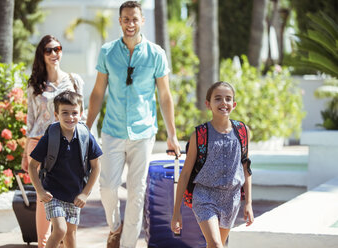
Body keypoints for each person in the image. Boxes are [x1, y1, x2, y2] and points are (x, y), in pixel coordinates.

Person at [86, 1, 180, 247]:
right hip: (113, 130)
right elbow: (97, 92)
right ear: (120, 21)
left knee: (137, 193)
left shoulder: (156, 53)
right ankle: (115, 228)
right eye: (126, 19)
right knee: (107, 187)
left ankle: (127, 245)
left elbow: (165, 95)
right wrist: (85, 128)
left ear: (142, 21)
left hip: (143, 132)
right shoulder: (108, 52)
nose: (130, 24)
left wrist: (172, 134)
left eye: (134, 19)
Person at [171, 82, 254, 248]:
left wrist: (249, 203)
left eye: (228, 99)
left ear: (234, 104)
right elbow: (186, 173)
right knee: (216, 244)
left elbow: (246, 168)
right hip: (204, 196)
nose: (224, 102)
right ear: (208, 104)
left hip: (231, 199)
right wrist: (176, 212)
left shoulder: (243, 132)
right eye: (218, 99)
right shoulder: (200, 134)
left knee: (216, 245)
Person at [21, 34, 86, 248]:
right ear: (42, 54)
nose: (53, 54)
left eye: (57, 49)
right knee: (44, 195)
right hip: (39, 141)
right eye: (48, 50)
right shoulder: (35, 85)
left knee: (66, 190)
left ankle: (62, 241)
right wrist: (25, 153)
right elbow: (31, 120)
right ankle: (43, 243)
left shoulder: (74, 80)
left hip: (66, 144)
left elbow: (81, 116)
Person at [28, 90, 102, 248]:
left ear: (81, 113)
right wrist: (40, 191)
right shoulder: (50, 137)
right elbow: (32, 166)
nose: (70, 117)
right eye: (65, 113)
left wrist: (84, 193)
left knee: (70, 235)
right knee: (60, 230)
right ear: (56, 115)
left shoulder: (86, 137)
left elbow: (96, 168)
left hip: (74, 195)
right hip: (52, 194)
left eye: (74, 113)